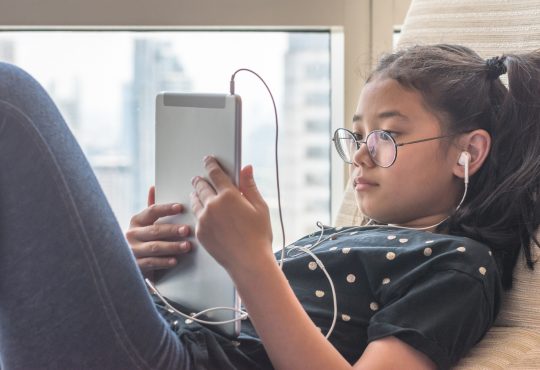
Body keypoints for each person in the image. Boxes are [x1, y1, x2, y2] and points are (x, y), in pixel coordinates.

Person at [0, 44, 538, 370]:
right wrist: (134, 268)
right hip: (162, 335)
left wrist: (251, 261)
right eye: (356, 136)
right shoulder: (339, 235)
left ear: (468, 151)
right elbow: (236, 317)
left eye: (387, 135)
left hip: (175, 361)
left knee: (11, 101)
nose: (361, 155)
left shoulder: (458, 265)